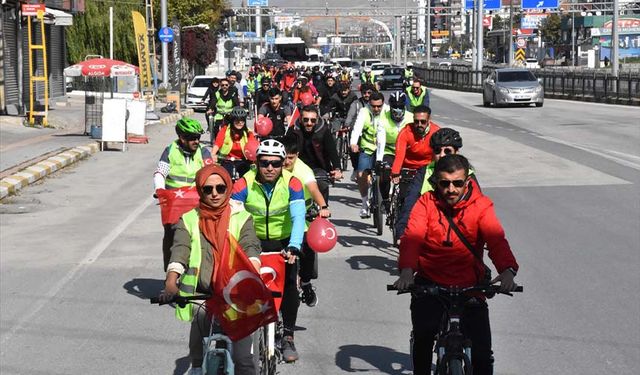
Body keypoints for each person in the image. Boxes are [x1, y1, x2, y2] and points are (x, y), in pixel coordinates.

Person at [394, 154, 519, 375]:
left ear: (467, 182)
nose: (451, 189)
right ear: (436, 183)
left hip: (470, 286)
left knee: (482, 354)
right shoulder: (426, 203)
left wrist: (507, 271)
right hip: (430, 283)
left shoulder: (481, 206)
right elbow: (412, 238)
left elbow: (496, 239)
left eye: (457, 183)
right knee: (423, 338)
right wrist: (406, 271)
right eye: (444, 183)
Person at [159, 164, 262, 375]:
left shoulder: (242, 217)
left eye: (220, 188)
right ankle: (197, 368)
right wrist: (171, 282)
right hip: (203, 293)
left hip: (236, 295)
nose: (214, 194)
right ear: (200, 190)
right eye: (208, 189)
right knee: (198, 350)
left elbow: (251, 248)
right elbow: (180, 250)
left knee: (244, 361)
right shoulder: (188, 219)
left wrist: (253, 277)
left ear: (228, 187)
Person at [231, 139, 306, 362]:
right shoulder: (243, 184)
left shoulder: (293, 183)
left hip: (283, 243)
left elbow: (298, 216)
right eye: (265, 163)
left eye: (276, 163)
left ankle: (288, 336)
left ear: (284, 164)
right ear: (256, 162)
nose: (270, 168)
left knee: (291, 285)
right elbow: (232, 217)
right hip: (251, 242)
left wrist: (294, 245)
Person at [394, 127, 480, 239]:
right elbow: (410, 203)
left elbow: (479, 205)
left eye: (447, 151)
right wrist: (402, 232)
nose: (442, 155)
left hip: (460, 231)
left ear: (456, 152)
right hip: (430, 232)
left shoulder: (468, 174)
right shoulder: (424, 172)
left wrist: (486, 232)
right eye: (437, 151)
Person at [154, 118, 213, 271]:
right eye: (193, 138)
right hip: (174, 204)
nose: (197, 141)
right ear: (182, 138)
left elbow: (210, 171)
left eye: (198, 137)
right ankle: (170, 273)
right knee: (171, 237)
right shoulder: (170, 150)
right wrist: (159, 189)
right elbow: (160, 172)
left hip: (196, 203)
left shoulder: (203, 151)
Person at [282, 134, 330, 308]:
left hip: (304, 218)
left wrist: (323, 207)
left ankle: (306, 284)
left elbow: (314, 189)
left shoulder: (304, 171)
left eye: (291, 158)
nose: (286, 162)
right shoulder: (273, 168)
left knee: (308, 251)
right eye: (284, 157)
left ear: (297, 155)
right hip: (282, 220)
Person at [293, 105, 343, 203]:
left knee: (322, 184)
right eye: (306, 120)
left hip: (319, 169)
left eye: (312, 120)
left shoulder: (324, 131)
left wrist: (337, 169)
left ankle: (323, 209)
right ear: (300, 119)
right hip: (297, 168)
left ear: (317, 120)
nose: (309, 123)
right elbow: (286, 149)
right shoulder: (294, 131)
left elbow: (332, 151)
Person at [350, 91, 388, 218]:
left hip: (384, 149)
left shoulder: (388, 111)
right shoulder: (364, 111)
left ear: (383, 104)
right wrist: (353, 143)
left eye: (379, 106)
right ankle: (365, 203)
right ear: (369, 104)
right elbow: (357, 129)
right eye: (373, 106)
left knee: (386, 173)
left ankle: (386, 199)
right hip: (367, 148)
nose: (376, 109)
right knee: (361, 175)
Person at [377, 92, 414, 211]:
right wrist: (379, 159)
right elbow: (380, 141)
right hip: (389, 151)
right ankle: (386, 200)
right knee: (385, 172)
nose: (397, 110)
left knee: (408, 177)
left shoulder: (411, 118)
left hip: (406, 152)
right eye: (395, 107)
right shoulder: (383, 118)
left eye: (400, 107)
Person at [390, 105, 440, 183]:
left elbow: (442, 154)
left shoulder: (437, 132)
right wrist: (395, 172)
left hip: (428, 169)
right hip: (408, 169)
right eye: (416, 121)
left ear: (429, 120)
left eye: (423, 121)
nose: (419, 125)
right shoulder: (405, 132)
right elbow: (399, 155)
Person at [211, 106, 256, 179]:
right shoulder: (225, 130)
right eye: (237, 120)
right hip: (227, 160)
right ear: (232, 120)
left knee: (247, 178)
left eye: (242, 120)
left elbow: (253, 145)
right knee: (226, 177)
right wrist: (213, 154)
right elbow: (218, 143)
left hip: (243, 160)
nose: (240, 123)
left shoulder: (248, 132)